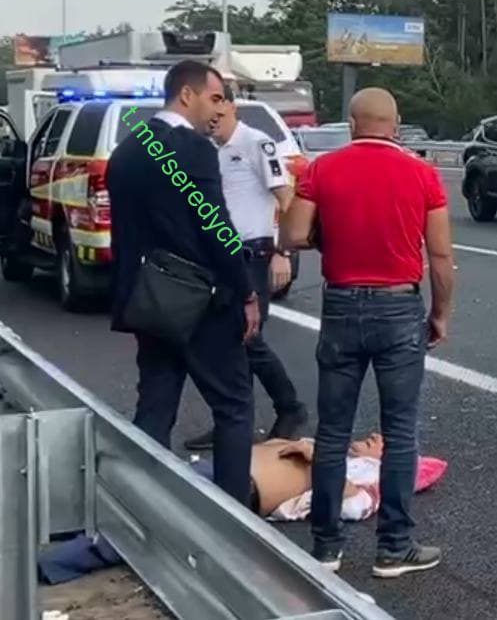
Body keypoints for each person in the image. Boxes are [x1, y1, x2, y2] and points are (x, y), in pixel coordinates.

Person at [281, 87, 455, 577]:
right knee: (400, 431)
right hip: (399, 306)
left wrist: (327, 233)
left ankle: (326, 547)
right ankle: (393, 548)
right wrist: (440, 313)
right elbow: (440, 255)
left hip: (341, 305)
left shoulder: (323, 169)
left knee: (333, 430)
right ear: (395, 125)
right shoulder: (422, 174)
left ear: (352, 123)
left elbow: (293, 234)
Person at [106, 60, 260, 506]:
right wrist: (246, 291)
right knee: (234, 405)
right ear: (187, 94)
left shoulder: (129, 149)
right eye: (215, 98)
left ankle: (140, 507)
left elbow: (124, 234)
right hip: (200, 301)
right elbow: (216, 227)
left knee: (156, 405)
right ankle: (232, 520)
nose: (220, 110)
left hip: (148, 300)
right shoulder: (193, 149)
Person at [184, 85, 308, 451]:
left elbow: (287, 199)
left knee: (249, 339)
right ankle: (232, 419)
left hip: (253, 254)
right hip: (221, 257)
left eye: (219, 109)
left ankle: (290, 408)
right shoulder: (210, 150)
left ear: (231, 106)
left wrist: (283, 251)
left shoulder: (257, 143)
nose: (213, 120)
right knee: (225, 343)